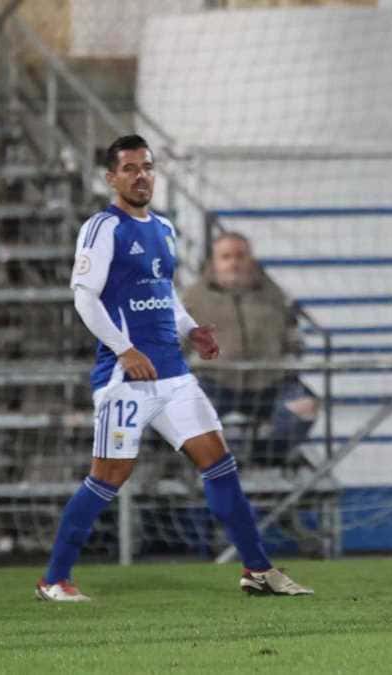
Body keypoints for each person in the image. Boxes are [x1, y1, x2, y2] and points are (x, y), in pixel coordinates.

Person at [36, 134, 312, 602]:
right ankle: (54, 579)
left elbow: (162, 297)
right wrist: (124, 349)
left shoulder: (162, 228)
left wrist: (191, 330)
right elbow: (83, 296)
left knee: (220, 465)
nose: (140, 175)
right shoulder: (103, 228)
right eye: (130, 168)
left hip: (174, 377)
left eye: (146, 167)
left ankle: (258, 570)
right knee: (108, 478)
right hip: (126, 381)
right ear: (111, 178)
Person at [181, 231, 319, 468]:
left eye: (240, 256)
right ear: (214, 263)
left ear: (250, 260)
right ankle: (213, 464)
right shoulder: (194, 297)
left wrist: (292, 351)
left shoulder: (273, 293)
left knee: (305, 406)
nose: (234, 262)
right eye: (226, 257)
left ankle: (267, 456)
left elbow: (292, 333)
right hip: (216, 382)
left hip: (270, 384)